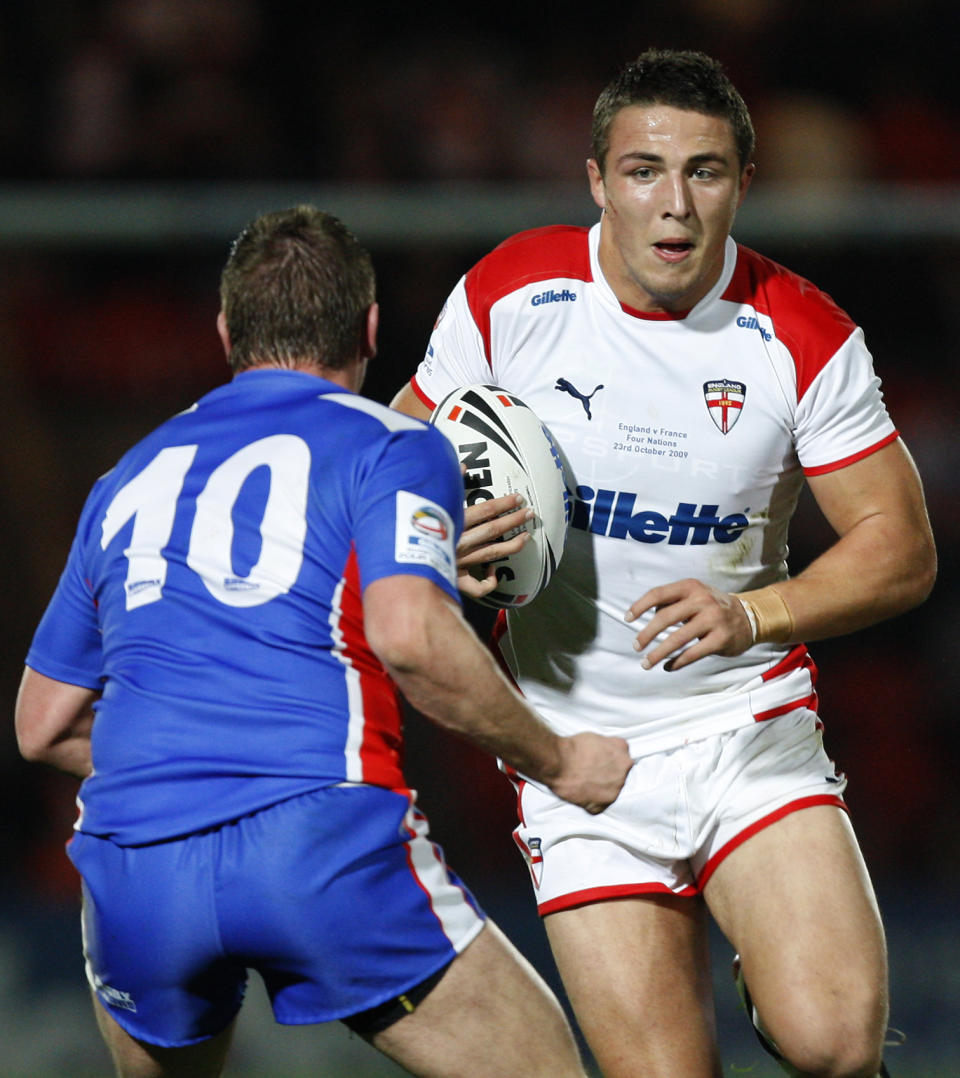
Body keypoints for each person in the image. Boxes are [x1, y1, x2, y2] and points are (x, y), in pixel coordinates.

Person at [391, 49, 936, 1078]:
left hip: (742, 728)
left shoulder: (803, 334)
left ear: (744, 184)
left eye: (706, 172)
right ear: (596, 181)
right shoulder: (511, 294)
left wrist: (756, 614)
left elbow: (901, 549)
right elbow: (395, 467)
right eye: (644, 170)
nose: (674, 204)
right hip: (575, 757)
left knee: (832, 1040)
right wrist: (439, 544)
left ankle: (773, 979)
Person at [14, 205, 634, 1078]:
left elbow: (40, 724)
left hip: (137, 869)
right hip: (319, 846)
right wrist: (562, 761)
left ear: (228, 330)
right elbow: (410, 636)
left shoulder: (127, 477)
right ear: (371, 327)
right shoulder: (393, 444)